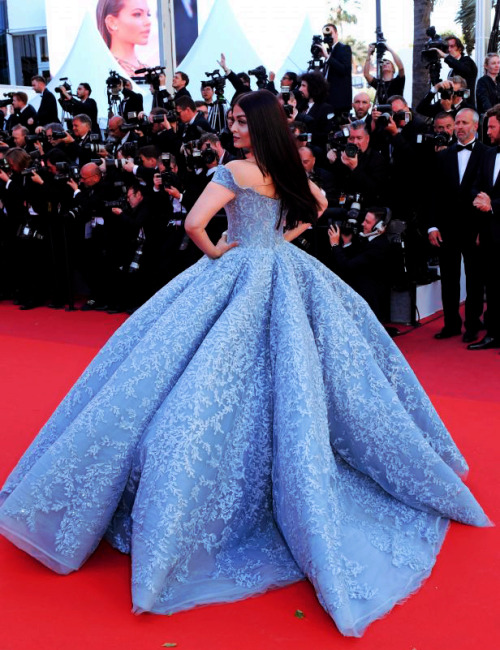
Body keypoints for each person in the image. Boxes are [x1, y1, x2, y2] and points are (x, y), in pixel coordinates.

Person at [0, 90, 489, 639]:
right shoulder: (286, 170)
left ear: (256, 126)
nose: (232, 127)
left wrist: (219, 252)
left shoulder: (236, 169)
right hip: (284, 268)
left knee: (196, 378)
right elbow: (320, 205)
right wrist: (283, 238)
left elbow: (192, 224)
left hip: (237, 272)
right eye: (231, 119)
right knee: (295, 375)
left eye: (238, 119)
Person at [96, 0, 151, 77]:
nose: (148, 22)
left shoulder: (148, 70)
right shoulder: (104, 70)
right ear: (112, 22)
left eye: (148, 14)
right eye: (137, 14)